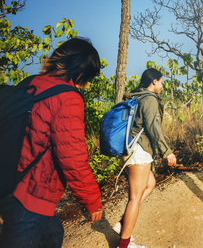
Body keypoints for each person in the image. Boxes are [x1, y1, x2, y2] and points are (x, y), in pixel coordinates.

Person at [0, 38, 104, 247]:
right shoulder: (68, 98)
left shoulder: (30, 83)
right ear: (82, 73)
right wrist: (92, 201)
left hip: (9, 181)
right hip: (32, 196)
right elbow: (72, 158)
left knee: (53, 232)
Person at [112, 68, 177, 248]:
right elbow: (152, 127)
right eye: (161, 82)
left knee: (150, 183)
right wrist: (167, 151)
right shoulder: (149, 99)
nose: (162, 86)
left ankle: (122, 223)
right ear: (154, 81)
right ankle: (123, 245)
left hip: (129, 149)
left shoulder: (134, 96)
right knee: (135, 197)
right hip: (139, 151)